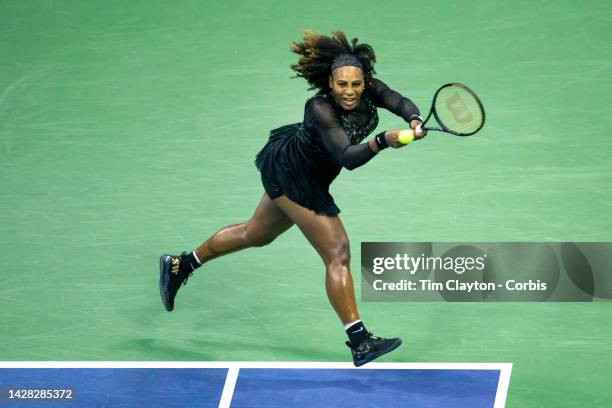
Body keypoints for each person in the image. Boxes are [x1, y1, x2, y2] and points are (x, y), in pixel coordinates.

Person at [159, 30, 427, 367]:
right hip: (294, 175)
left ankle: (179, 265)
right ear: (330, 82)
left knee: (254, 234)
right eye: (342, 84)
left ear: (364, 80)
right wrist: (382, 141)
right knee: (338, 252)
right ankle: (360, 341)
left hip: (301, 172)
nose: (349, 91)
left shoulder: (369, 88)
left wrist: (414, 119)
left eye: (356, 84)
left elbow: (399, 102)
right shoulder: (319, 108)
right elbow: (347, 156)